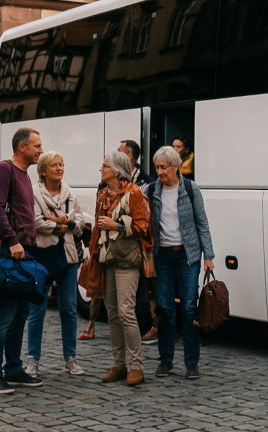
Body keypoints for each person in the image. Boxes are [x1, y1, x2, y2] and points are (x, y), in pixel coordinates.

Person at [0, 128, 48, 394]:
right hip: (11, 252)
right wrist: (12, 241)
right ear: (22, 147)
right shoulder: (4, 169)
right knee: (4, 315)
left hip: (25, 252)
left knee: (21, 313)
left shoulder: (24, 174)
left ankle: (13, 369)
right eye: (37, 146)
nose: (40, 150)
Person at [145, 146, 215, 380]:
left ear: (176, 167)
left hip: (188, 256)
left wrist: (209, 256)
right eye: (156, 167)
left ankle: (191, 363)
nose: (159, 172)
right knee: (165, 310)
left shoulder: (189, 189)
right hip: (162, 256)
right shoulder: (152, 190)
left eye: (163, 167)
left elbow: (202, 223)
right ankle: (165, 361)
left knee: (187, 308)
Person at [29, 150, 90, 377]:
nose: (59, 168)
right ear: (43, 170)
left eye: (61, 164)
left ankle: (71, 358)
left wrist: (57, 221)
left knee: (69, 310)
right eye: (54, 165)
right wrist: (63, 223)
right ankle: (33, 360)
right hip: (42, 257)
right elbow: (35, 223)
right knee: (37, 310)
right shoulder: (34, 193)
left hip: (68, 257)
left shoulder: (70, 194)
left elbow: (81, 223)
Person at [93, 150, 152, 386]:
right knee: (113, 314)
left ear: (117, 171)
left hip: (128, 259)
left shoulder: (134, 193)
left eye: (105, 165)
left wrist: (116, 225)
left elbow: (143, 227)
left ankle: (136, 366)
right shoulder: (103, 194)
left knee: (127, 313)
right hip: (107, 259)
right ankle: (119, 363)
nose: (101, 169)